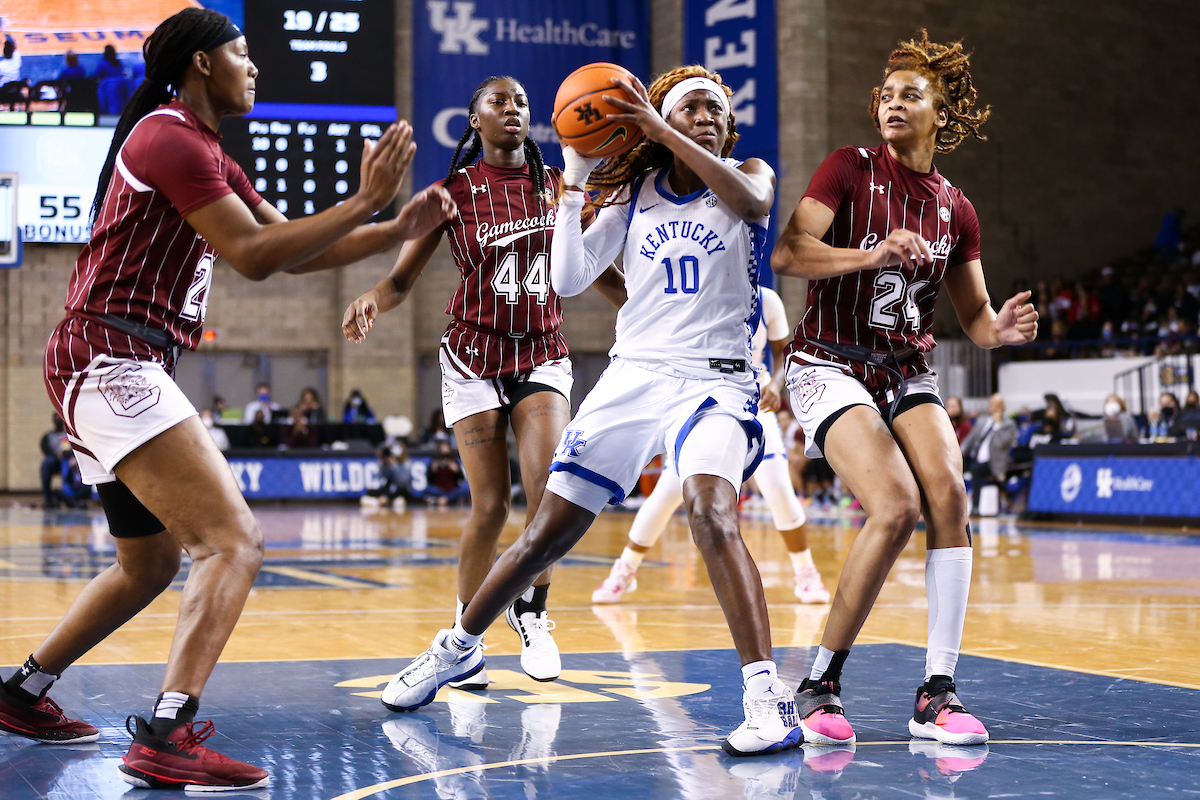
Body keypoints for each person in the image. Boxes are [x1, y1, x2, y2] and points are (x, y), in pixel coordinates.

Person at [0, 7, 454, 791]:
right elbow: (248, 256)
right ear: (203, 63)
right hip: (114, 355)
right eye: (243, 52)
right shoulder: (169, 135)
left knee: (148, 566)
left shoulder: (209, 152)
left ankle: (21, 691)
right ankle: (168, 733)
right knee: (234, 543)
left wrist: (390, 228)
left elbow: (291, 252)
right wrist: (360, 203)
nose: (255, 66)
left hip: (108, 358)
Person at [378, 65, 805, 758]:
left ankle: (765, 700)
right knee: (543, 536)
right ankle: (456, 647)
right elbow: (570, 278)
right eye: (687, 107)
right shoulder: (633, 194)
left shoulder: (747, 172)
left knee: (707, 507)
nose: (703, 116)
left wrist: (657, 123)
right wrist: (575, 173)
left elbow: (754, 205)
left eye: (713, 110)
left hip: (715, 381)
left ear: (728, 127)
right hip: (633, 377)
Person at [771, 30, 1037, 749]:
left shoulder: (957, 208)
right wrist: (872, 250)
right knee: (894, 506)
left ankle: (937, 694)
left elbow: (974, 319)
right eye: (885, 95)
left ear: (940, 114)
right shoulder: (849, 169)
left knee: (949, 497)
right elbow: (789, 252)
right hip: (828, 359)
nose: (892, 104)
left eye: (909, 95)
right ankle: (819, 682)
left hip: (902, 367)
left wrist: (1001, 330)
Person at [343, 75, 623, 686]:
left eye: (521, 102)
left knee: (548, 494)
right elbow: (399, 283)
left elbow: (593, 269)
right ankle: (465, 639)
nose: (513, 110)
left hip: (542, 352)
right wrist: (371, 297)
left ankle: (535, 616)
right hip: (472, 355)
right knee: (489, 507)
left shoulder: (557, 188)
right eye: (498, 102)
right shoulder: (450, 194)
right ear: (475, 119)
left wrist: (641, 308)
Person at [592, 285, 830, 605]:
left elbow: (783, 352)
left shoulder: (767, 299)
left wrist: (775, 383)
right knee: (666, 495)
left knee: (779, 490)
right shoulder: (695, 294)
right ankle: (625, 570)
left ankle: (806, 573)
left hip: (751, 399)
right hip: (702, 399)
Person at [961, 394, 1018, 510]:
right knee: (953, 467)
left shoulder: (1009, 424)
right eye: (991, 404)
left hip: (993, 463)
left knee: (976, 469)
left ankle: (976, 506)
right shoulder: (982, 420)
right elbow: (970, 440)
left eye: (997, 405)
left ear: (1003, 407)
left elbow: (1000, 444)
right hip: (974, 458)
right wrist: (957, 454)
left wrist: (997, 426)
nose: (993, 407)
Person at [361, 444, 414, 511]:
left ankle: (383, 500)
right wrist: (383, 463)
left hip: (402, 490)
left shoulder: (406, 463)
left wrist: (394, 465)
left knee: (400, 490)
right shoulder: (386, 465)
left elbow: (402, 481)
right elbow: (380, 479)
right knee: (370, 491)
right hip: (390, 490)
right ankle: (386, 500)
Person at [422, 440, 471, 506]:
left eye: (447, 454)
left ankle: (444, 499)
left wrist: (457, 471)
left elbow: (461, 479)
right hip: (439, 490)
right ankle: (447, 499)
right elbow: (429, 481)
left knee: (466, 488)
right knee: (428, 489)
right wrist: (433, 471)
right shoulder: (434, 463)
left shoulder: (455, 463)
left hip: (452, 490)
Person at [39, 415, 68, 509]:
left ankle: (72, 498)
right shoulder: (48, 436)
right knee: (46, 464)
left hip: (68, 461)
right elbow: (45, 450)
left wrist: (65, 454)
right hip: (54, 461)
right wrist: (56, 455)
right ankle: (48, 497)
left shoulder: (67, 435)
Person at [0, 38, 28, 110]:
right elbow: (15, 49)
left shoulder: (1, 65)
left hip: (3, 94)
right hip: (16, 92)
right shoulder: (17, 60)